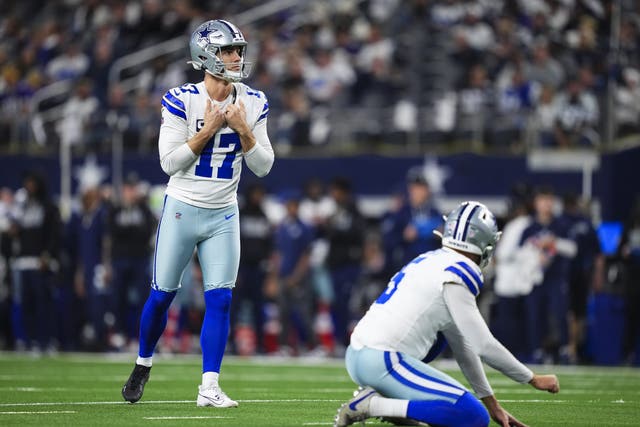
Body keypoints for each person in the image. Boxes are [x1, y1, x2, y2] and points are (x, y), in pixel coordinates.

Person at [122, 19, 274, 407]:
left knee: (220, 299)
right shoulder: (181, 99)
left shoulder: (253, 101)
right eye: (228, 50)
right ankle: (143, 362)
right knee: (162, 296)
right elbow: (169, 163)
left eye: (238, 50)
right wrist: (208, 130)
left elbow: (263, 166)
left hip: (223, 213)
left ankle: (209, 385)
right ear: (206, 55)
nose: (236, 57)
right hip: (182, 209)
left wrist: (244, 130)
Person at [334, 201, 559, 427]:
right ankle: (374, 405)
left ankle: (395, 406)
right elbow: (484, 345)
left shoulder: (432, 259)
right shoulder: (459, 272)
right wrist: (532, 378)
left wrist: (493, 405)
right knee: (472, 417)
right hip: (383, 360)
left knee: (445, 339)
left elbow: (463, 345)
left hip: (358, 355)